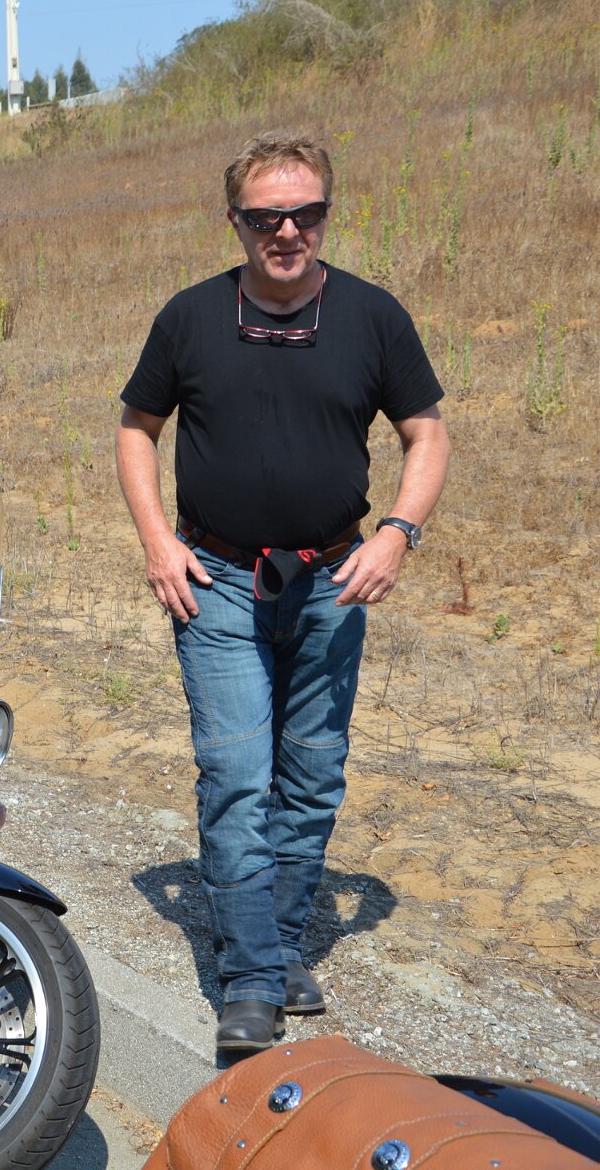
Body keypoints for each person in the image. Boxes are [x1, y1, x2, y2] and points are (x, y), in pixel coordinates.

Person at [114, 131, 450, 1053]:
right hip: (215, 578)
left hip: (335, 580)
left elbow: (425, 434)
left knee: (310, 772)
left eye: (305, 213)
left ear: (326, 214)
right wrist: (155, 541)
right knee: (235, 776)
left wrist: (397, 532)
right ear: (235, 221)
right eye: (266, 217)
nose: (287, 231)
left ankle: (280, 940)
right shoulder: (189, 317)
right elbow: (137, 428)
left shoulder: (372, 316)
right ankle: (252, 980)